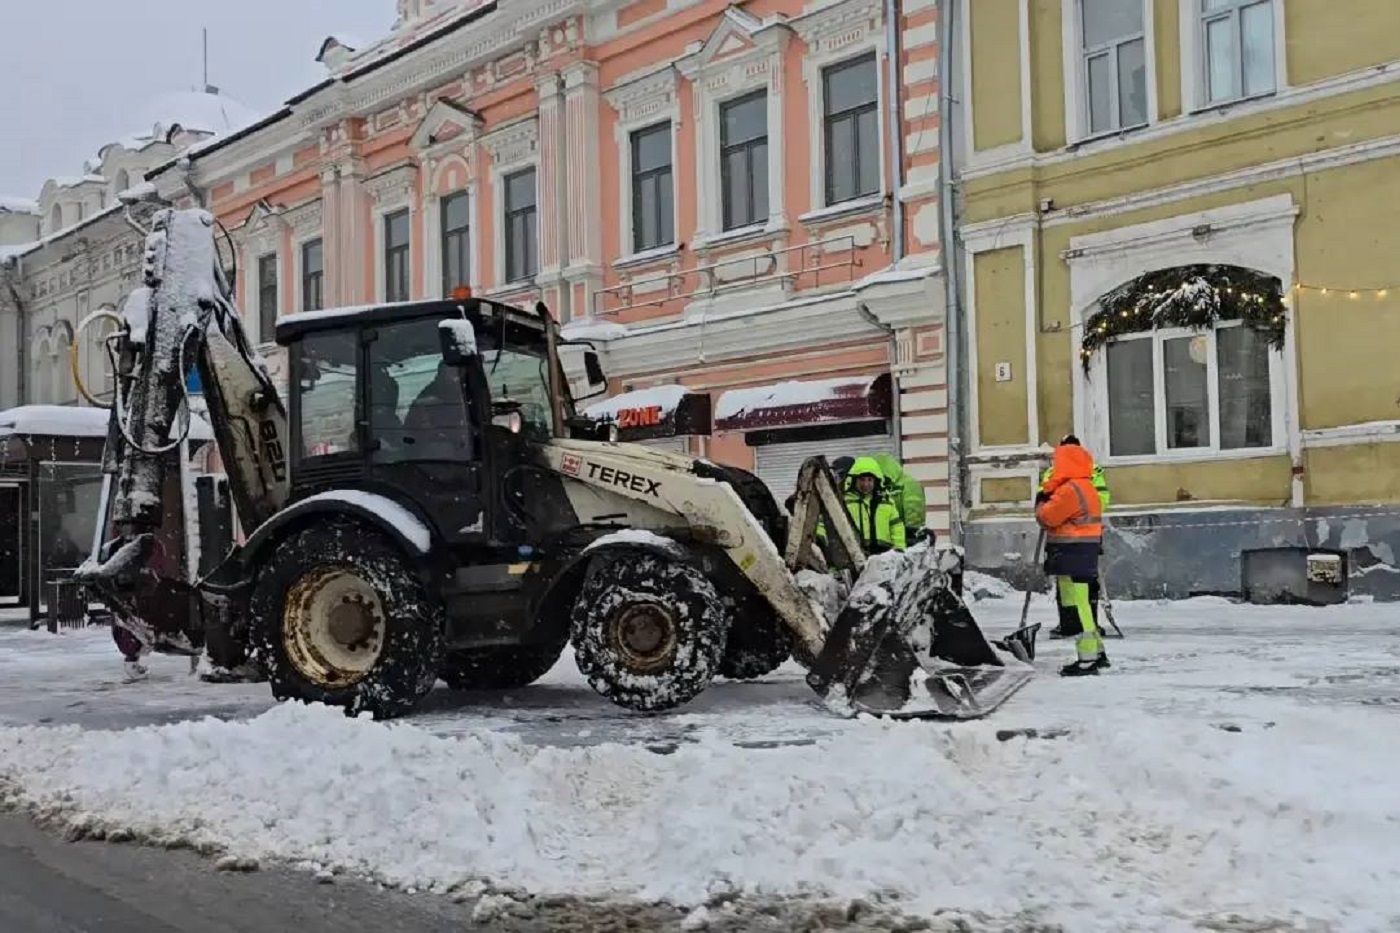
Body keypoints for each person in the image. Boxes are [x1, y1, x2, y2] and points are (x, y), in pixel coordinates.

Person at [1035, 438, 1110, 676]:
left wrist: (1041, 500)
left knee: (1080, 605)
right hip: (1084, 548)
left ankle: (1087, 659)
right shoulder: (1086, 485)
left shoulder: (1070, 489)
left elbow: (1048, 517)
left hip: (1073, 549)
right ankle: (1097, 651)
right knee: (1084, 602)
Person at [817, 456, 906, 555]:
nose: (866, 484)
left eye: (869, 480)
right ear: (854, 480)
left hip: (884, 553)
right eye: (862, 480)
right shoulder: (844, 501)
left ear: (876, 481)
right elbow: (825, 521)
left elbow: (896, 526)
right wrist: (820, 537)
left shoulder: (886, 501)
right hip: (852, 553)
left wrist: (899, 548)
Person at [871, 452, 930, 545]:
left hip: (906, 539)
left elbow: (914, 516)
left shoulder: (909, 484)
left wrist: (910, 540)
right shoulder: (881, 488)